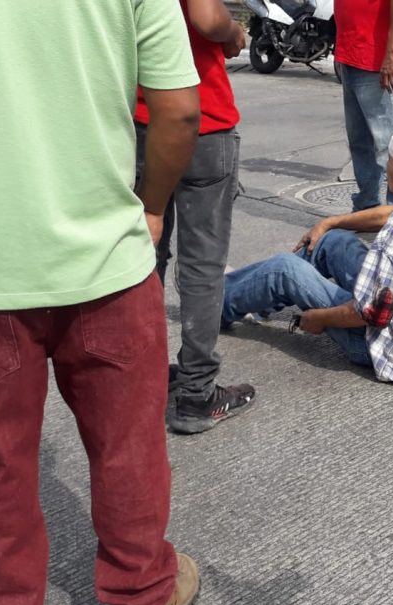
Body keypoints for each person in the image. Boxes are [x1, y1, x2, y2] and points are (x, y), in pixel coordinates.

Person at [0, 2, 202, 605]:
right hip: (106, 260)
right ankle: (144, 598)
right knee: (127, 447)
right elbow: (180, 110)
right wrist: (152, 210)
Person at [222, 117, 393, 385]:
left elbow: (371, 315)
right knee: (334, 242)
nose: (385, 166)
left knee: (284, 270)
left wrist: (318, 319)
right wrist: (331, 221)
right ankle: (252, 297)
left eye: (390, 160)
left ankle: (217, 304)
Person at [135, 0, 257, 435]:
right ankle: (196, 393)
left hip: (139, 117)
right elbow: (206, 17)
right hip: (201, 121)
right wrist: (234, 32)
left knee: (145, 257)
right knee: (202, 266)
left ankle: (140, 379)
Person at [334, 0, 393, 209]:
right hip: (352, 54)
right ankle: (367, 206)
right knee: (360, 143)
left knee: (392, 147)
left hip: (377, 59)